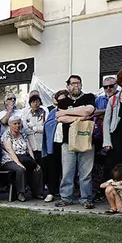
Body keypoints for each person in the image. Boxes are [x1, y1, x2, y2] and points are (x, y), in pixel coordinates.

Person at [55, 75, 97, 209]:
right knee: (67, 172)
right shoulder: (63, 101)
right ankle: (66, 197)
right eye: (72, 84)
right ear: (68, 86)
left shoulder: (89, 97)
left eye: (78, 83)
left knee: (85, 173)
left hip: (86, 140)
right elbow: (59, 117)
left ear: (81, 85)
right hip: (68, 141)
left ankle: (85, 198)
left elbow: (89, 110)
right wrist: (81, 116)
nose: (75, 86)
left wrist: (68, 113)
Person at [0, 116, 43, 202]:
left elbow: (29, 148)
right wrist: (18, 162)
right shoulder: (6, 134)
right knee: (20, 169)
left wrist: (34, 162)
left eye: (19, 123)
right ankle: (21, 193)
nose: (17, 125)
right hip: (9, 160)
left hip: (24, 158)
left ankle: (37, 192)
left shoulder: (23, 134)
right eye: (14, 124)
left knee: (37, 169)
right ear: (10, 125)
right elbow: (9, 150)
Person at [42, 90, 69, 202]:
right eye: (60, 100)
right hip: (54, 144)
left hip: (67, 144)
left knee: (67, 170)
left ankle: (66, 194)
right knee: (53, 169)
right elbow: (48, 125)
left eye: (64, 99)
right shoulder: (53, 112)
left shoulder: (72, 110)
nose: (62, 102)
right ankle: (52, 192)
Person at [22, 94, 47, 194]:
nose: (35, 104)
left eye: (37, 101)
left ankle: (40, 190)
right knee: (32, 168)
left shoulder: (44, 113)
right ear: (30, 104)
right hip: (31, 145)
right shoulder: (26, 114)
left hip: (42, 145)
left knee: (42, 168)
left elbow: (45, 128)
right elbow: (25, 129)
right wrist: (36, 129)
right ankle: (31, 189)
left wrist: (35, 128)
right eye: (33, 102)